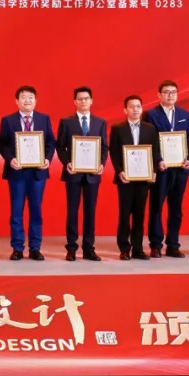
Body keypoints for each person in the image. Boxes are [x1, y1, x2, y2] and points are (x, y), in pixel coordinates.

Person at [0, 85, 56, 261]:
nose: (27, 100)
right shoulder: (8, 120)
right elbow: (3, 144)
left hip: (38, 173)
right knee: (16, 211)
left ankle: (35, 248)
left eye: (31, 97)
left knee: (36, 211)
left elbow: (50, 143)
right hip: (17, 173)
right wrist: (10, 159)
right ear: (17, 101)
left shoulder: (44, 119)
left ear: (35, 101)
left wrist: (47, 159)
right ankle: (17, 248)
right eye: (23, 97)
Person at [144, 80, 189, 258]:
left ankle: (173, 245)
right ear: (159, 95)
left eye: (173, 92)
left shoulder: (185, 114)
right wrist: (158, 160)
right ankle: (156, 244)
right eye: (166, 92)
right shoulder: (151, 114)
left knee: (176, 207)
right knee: (156, 206)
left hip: (180, 168)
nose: (170, 95)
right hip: (161, 168)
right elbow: (148, 140)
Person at [56, 86, 108, 262]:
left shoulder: (100, 122)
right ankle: (71, 248)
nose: (83, 101)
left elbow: (104, 147)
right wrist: (67, 163)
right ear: (75, 101)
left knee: (90, 212)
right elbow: (60, 147)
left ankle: (89, 248)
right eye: (80, 99)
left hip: (93, 174)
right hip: (73, 173)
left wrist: (101, 164)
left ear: (91, 101)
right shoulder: (66, 122)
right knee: (72, 211)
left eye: (86, 98)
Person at [109, 95, 163, 261]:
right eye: (131, 107)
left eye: (138, 106)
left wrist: (153, 171)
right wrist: (119, 171)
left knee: (140, 214)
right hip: (125, 178)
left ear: (142, 109)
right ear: (125, 110)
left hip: (143, 178)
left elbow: (154, 151)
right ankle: (124, 248)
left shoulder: (150, 128)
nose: (135, 109)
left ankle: (138, 249)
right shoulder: (118, 128)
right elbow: (114, 152)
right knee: (125, 214)